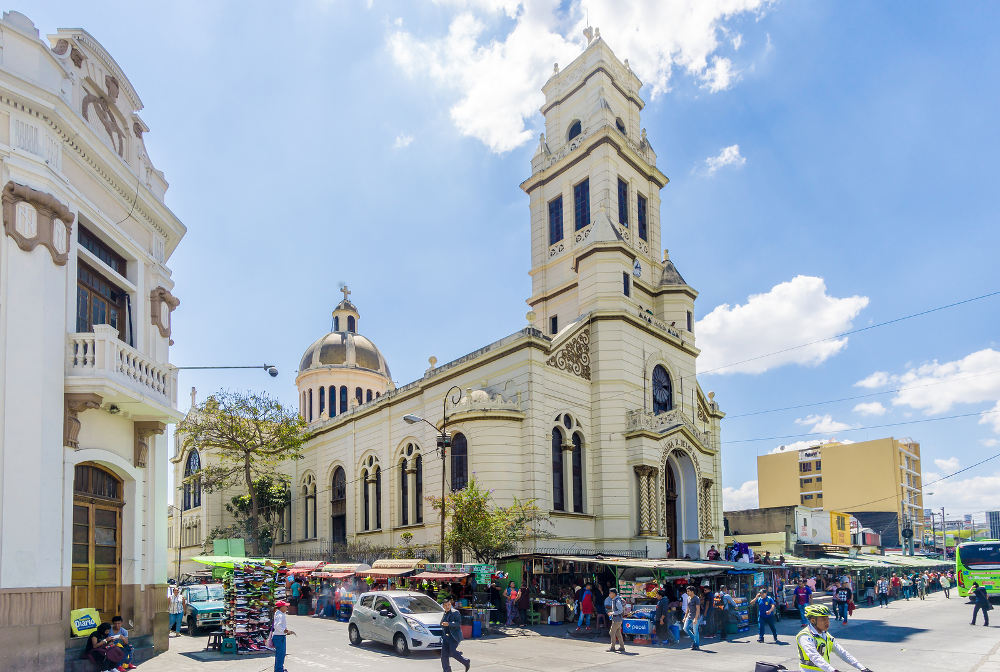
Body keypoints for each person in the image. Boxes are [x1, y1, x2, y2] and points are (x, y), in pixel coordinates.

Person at [796, 605, 872, 672]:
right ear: (813, 621)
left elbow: (842, 653)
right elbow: (814, 656)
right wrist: (832, 670)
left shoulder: (825, 634)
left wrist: (862, 668)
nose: (827, 622)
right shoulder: (805, 636)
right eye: (823, 619)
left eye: (828, 619)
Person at [439, 597, 471, 672]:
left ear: (451, 604)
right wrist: (442, 624)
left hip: (454, 637)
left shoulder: (455, 612)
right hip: (445, 637)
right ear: (443, 606)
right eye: (446, 605)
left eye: (449, 605)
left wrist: (449, 624)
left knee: (452, 652)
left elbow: (458, 623)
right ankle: (447, 670)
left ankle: (466, 662)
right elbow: (441, 623)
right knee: (444, 656)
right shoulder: (445, 613)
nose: (447, 607)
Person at [272, 600, 295, 672]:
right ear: (281, 607)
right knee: (281, 654)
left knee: (280, 654)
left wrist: (285, 630)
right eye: (285, 606)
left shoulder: (279, 613)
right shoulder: (280, 615)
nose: (287, 607)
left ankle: (279, 669)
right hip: (279, 637)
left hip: (279, 636)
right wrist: (285, 631)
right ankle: (279, 670)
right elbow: (277, 626)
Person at [605, 588, 626, 653]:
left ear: (614, 594)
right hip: (617, 619)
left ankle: (612, 647)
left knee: (611, 632)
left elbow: (620, 610)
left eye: (610, 593)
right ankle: (622, 647)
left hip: (617, 619)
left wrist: (612, 613)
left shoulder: (617, 600)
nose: (609, 595)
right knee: (618, 633)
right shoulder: (615, 599)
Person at [683, 585, 701, 651]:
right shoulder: (688, 598)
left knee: (695, 631)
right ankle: (694, 639)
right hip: (689, 616)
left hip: (695, 617)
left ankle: (697, 645)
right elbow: (687, 608)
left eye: (688, 591)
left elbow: (698, 609)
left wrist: (695, 618)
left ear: (692, 591)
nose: (687, 592)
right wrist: (685, 617)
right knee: (685, 628)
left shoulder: (696, 598)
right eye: (687, 591)